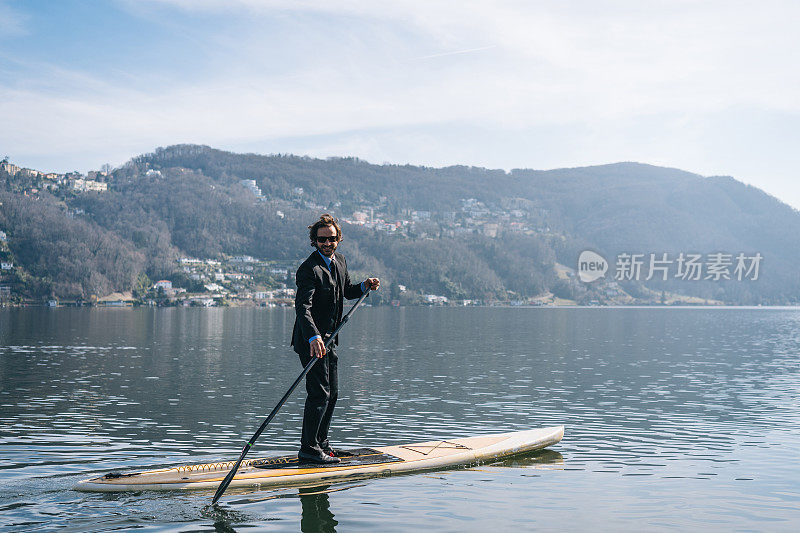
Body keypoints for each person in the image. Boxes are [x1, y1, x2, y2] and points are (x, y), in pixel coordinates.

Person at [292, 214, 380, 464]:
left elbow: (347, 291)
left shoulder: (339, 261)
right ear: (314, 241)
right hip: (311, 342)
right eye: (322, 239)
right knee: (319, 394)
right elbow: (302, 308)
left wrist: (364, 285)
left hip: (330, 340)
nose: (327, 243)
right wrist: (313, 336)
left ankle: (322, 444)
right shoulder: (308, 269)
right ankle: (309, 449)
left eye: (331, 238)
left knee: (333, 394)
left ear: (338, 239)